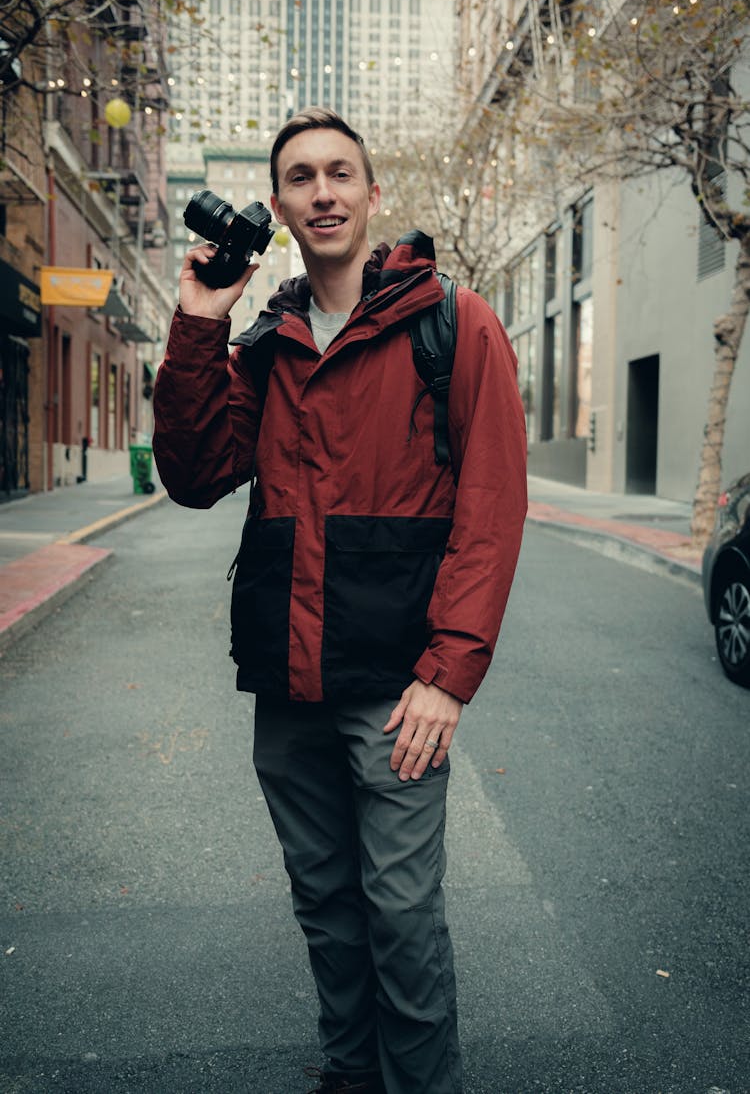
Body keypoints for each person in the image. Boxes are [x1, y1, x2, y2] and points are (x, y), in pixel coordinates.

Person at [153, 107, 527, 1094]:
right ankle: (350, 1076)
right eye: (302, 179)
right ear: (277, 208)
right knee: (326, 903)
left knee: (401, 917)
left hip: (400, 690)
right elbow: (193, 473)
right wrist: (200, 319)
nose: (323, 192)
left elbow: (490, 507)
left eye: (340, 174)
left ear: (371, 193)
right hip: (290, 684)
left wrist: (449, 676)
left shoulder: (453, 322)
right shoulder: (267, 346)